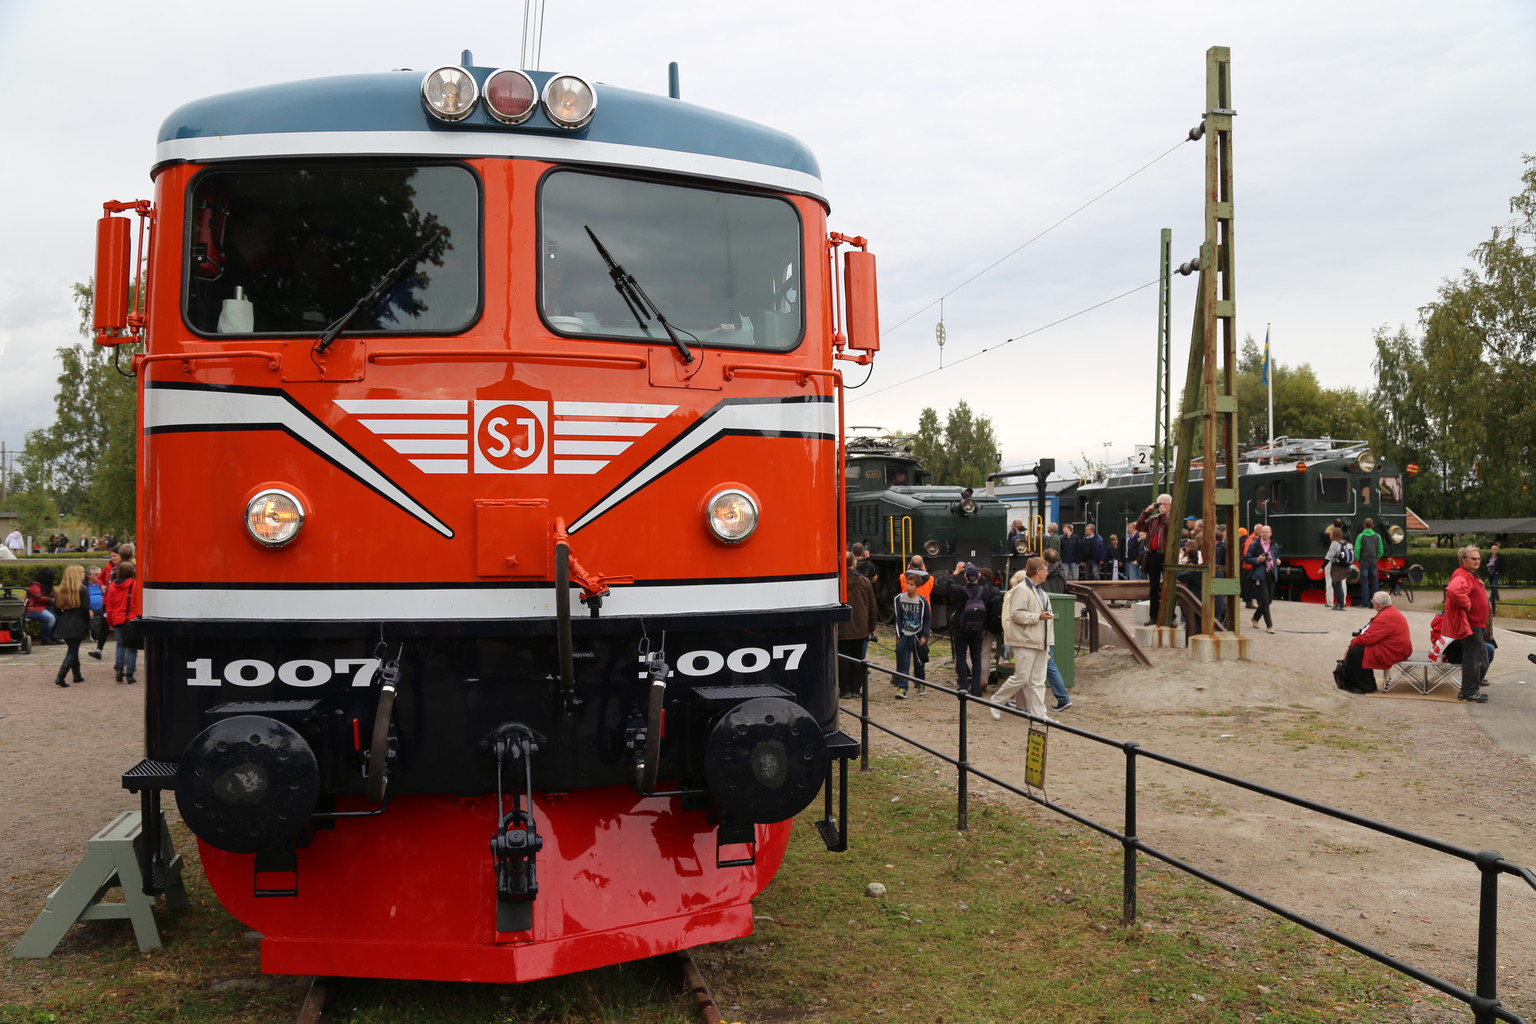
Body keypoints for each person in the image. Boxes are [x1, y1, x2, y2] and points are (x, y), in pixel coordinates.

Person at [990, 559, 1054, 721]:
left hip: (1040, 641)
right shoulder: (1022, 589)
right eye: (1045, 569)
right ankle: (996, 700)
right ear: (1038, 571)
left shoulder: (1042, 592)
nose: (1048, 572)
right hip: (1025, 640)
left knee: (1038, 681)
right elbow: (1016, 614)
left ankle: (1039, 716)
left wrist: (1049, 641)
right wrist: (1038, 617)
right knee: (1022, 677)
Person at [1336, 590, 1412, 693]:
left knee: (1355, 652)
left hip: (1394, 651)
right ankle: (1366, 683)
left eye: (1372, 601)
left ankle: (1366, 686)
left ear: (1377, 604)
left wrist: (1351, 645)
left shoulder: (1384, 617)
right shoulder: (1390, 612)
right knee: (1359, 650)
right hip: (1399, 648)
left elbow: (1368, 639)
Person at [1443, 546, 1490, 703]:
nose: (1477, 561)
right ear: (1463, 560)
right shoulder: (1461, 575)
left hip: (1476, 624)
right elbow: (1454, 591)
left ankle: (1471, 689)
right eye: (1473, 558)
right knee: (1472, 659)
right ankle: (1468, 692)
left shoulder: (1469, 575)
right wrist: (1467, 605)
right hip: (1471, 624)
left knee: (1480, 657)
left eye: (1479, 558)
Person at [946, 563, 995, 697]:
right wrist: (979, 575)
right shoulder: (984, 591)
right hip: (978, 629)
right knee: (977, 658)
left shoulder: (960, 591)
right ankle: (976, 689)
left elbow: (949, 584)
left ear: (965, 577)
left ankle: (963, 686)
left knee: (961, 657)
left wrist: (956, 572)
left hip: (961, 629)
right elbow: (989, 585)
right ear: (977, 578)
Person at [838, 551, 878, 698]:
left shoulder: (837, 582)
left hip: (842, 627)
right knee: (857, 658)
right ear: (854, 563)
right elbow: (872, 606)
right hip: (860, 627)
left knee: (843, 659)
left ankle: (845, 690)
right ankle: (856, 689)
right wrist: (872, 627)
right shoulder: (865, 582)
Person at [891, 569, 931, 699]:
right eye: (907, 583)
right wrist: (898, 635)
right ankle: (903, 687)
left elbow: (927, 619)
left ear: (917, 587)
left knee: (919, 663)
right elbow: (898, 618)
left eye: (911, 584)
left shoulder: (922, 602)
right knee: (904, 662)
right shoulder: (899, 599)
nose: (908, 586)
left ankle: (920, 683)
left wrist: (924, 636)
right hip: (904, 635)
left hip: (918, 636)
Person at [1134, 494, 1172, 625]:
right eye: (1160, 504)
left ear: (1170, 506)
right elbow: (1139, 527)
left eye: (1166, 504)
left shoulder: (1173, 518)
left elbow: (1170, 528)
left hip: (1167, 555)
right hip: (1153, 554)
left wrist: (1165, 515)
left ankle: (1171, 617)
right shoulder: (1153, 519)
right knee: (1154, 588)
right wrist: (1146, 512)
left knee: (1169, 587)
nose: (1163, 506)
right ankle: (1153, 616)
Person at [52, 565, 91, 688]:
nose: (84, 575)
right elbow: (85, 609)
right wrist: (87, 623)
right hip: (78, 621)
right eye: (82, 573)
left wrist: (64, 616)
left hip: (65, 621)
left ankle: (77, 675)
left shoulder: (61, 590)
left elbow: (55, 609)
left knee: (73, 649)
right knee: (72, 651)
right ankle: (61, 675)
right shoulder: (83, 590)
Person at [106, 562, 139, 684]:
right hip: (131, 619)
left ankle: (119, 669)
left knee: (120, 645)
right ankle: (130, 673)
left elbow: (109, 606)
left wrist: (110, 621)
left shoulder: (112, 586)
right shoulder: (135, 585)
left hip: (117, 618)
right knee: (132, 647)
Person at [1243, 524, 1278, 633]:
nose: (1264, 534)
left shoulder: (1274, 545)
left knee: (1268, 601)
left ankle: (1255, 617)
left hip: (1271, 574)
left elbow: (1276, 556)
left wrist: (1277, 561)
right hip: (1260, 575)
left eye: (1266, 532)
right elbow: (1247, 558)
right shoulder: (1254, 544)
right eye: (1262, 532)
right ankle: (1269, 626)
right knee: (1265, 601)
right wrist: (1257, 560)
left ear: (1270, 533)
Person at [25, 567, 59, 645]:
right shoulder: (34, 585)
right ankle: (45, 638)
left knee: (58, 617)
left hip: (44, 607)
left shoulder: (47, 585)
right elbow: (38, 598)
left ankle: (54, 637)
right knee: (50, 618)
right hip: (33, 609)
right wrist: (51, 600)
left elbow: (55, 594)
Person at [1355, 518, 1382, 609]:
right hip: (1374, 561)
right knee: (1375, 582)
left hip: (1364, 561)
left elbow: (1357, 550)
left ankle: (1365, 603)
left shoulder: (1360, 536)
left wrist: (1358, 560)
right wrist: (1376, 558)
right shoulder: (1377, 536)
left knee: (1364, 582)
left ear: (1364, 525)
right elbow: (1381, 550)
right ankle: (1375, 603)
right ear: (1372, 525)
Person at [1325, 526, 1351, 611]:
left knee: (1330, 582)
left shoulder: (1334, 543)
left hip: (1335, 565)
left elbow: (1329, 556)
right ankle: (1343, 602)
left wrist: (1322, 567)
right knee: (1343, 583)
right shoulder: (1345, 542)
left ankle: (1330, 602)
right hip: (1344, 565)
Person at [1486, 542, 1503, 615]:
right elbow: (1486, 562)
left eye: (1495, 549)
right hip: (1490, 572)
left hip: (1496, 573)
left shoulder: (1500, 557)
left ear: (1497, 550)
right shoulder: (1489, 556)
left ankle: (1492, 597)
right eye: (1492, 549)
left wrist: (1498, 571)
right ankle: (1497, 596)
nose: (1493, 550)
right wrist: (1487, 566)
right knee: (1493, 586)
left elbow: (1503, 565)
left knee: (1494, 584)